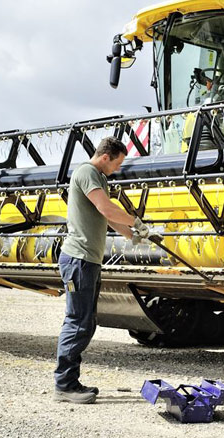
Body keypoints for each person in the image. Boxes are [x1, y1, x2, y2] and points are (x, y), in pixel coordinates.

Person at [54, 137, 152, 404]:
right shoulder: (87, 172)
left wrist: (132, 234)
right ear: (106, 157)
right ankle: (65, 385)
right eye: (118, 163)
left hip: (88, 261)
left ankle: (69, 382)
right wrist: (136, 221)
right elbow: (105, 207)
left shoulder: (98, 177)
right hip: (79, 260)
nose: (118, 168)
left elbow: (106, 217)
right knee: (78, 322)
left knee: (84, 321)